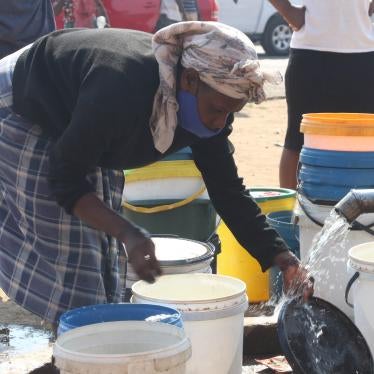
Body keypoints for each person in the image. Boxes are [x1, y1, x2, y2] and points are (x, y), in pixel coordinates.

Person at [0, 22, 312, 325]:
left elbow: (226, 190)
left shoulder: (211, 106)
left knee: (101, 258)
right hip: (23, 102)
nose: (220, 122)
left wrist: (282, 258)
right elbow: (64, 179)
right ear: (189, 79)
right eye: (217, 110)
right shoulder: (121, 88)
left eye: (231, 112)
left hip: (76, 115)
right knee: (72, 258)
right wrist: (129, 232)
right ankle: (78, 345)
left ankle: (93, 334)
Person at [268, 0, 374, 189]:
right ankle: (291, 214)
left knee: (364, 140)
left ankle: (362, 214)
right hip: (311, 53)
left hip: (363, 54)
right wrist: (287, 10)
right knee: (297, 140)